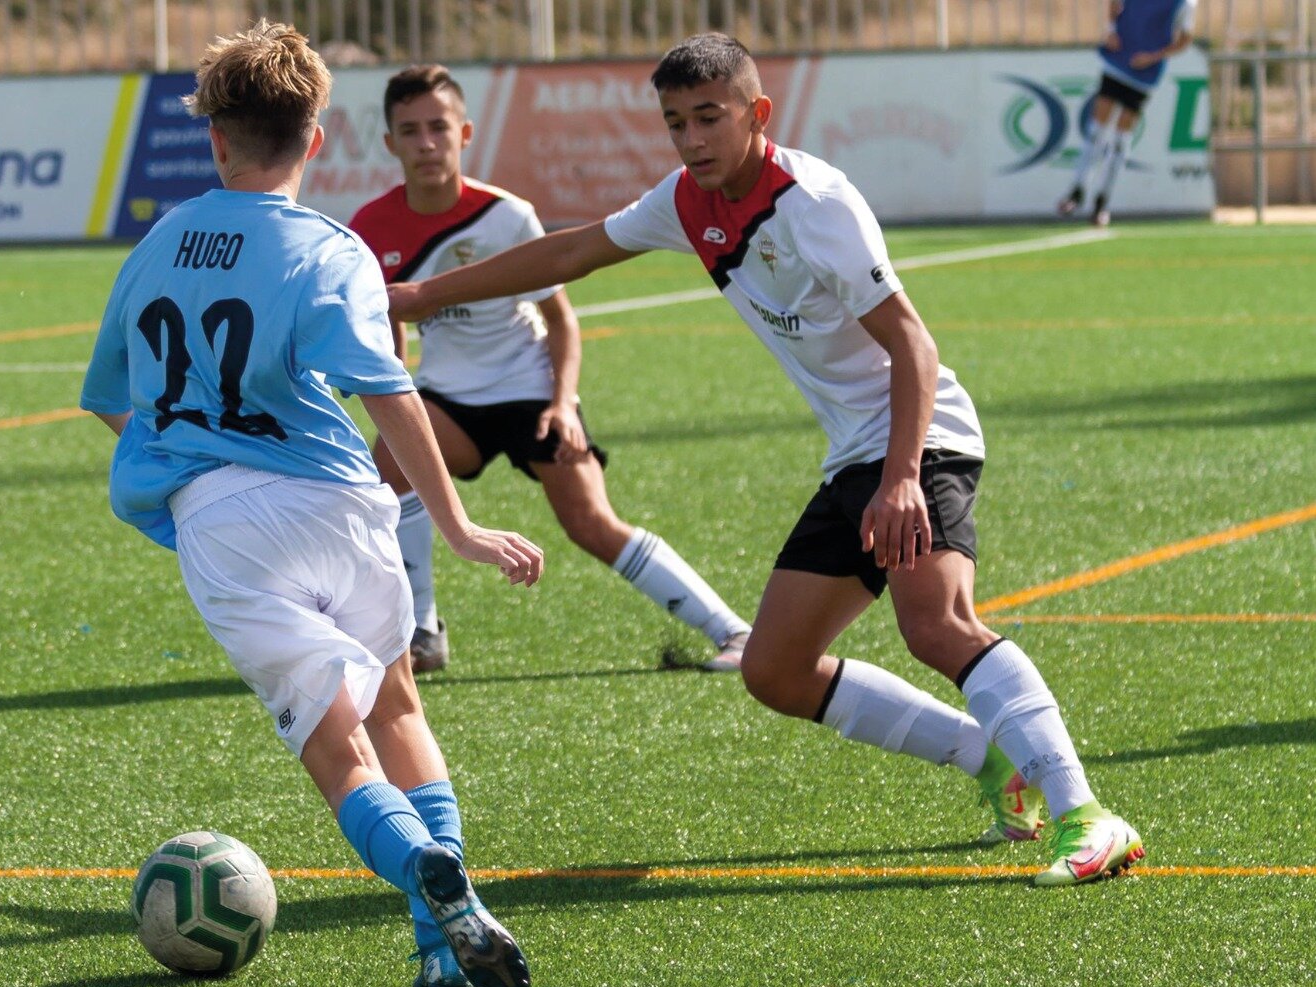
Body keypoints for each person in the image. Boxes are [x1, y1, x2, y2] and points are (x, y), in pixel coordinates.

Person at [389, 32, 1145, 887]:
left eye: (709, 118)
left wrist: (901, 479)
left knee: (933, 623)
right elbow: (570, 252)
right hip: (858, 456)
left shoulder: (816, 201)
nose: (692, 140)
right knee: (775, 671)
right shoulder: (685, 201)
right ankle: (990, 762)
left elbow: (915, 349)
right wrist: (420, 294)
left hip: (921, 436)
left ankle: (1087, 815)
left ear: (758, 114)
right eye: (675, 123)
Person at [79, 21, 535, 987]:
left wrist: (177, 449)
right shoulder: (334, 250)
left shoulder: (157, 243)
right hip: (340, 497)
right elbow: (389, 391)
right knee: (400, 704)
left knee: (340, 752)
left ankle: (421, 868)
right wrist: (456, 527)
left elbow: (109, 392)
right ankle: (437, 944)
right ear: (315, 137)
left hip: (226, 524)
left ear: (215, 138)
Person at [348, 64, 752, 675]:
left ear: (465, 133)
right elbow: (391, 336)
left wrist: (563, 405)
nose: (426, 143)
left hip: (532, 392)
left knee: (591, 523)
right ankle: (423, 632)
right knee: (390, 467)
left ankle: (735, 631)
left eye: (439, 127)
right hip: (448, 398)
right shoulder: (370, 227)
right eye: (410, 131)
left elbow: (560, 322)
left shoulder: (508, 216)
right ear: (389, 144)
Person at [1058, 0, 1198, 226]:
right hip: (1119, 58)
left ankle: (1102, 201)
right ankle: (1077, 190)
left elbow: (1185, 40)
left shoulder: (1186, 3)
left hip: (1144, 72)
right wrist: (1111, 30)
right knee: (1097, 129)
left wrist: (1154, 57)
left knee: (1121, 136)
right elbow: (1114, 5)